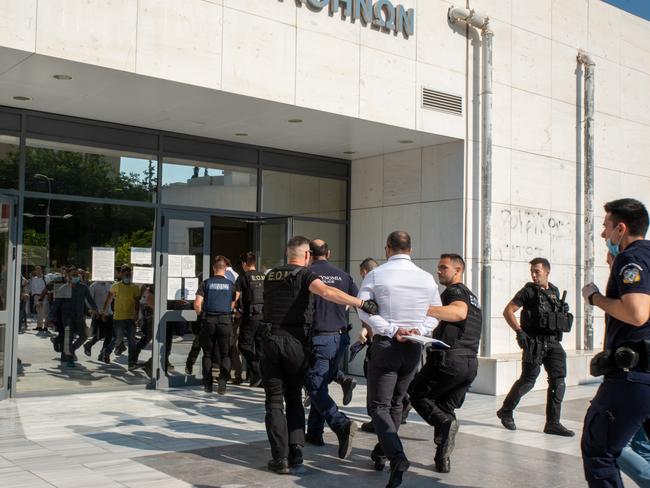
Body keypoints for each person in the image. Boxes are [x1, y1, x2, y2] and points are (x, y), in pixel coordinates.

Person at [262, 235, 377, 474]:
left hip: (271, 341)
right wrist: (362, 304)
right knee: (293, 397)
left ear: (287, 253)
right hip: (296, 343)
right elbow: (326, 292)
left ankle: (279, 458)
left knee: (274, 402)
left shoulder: (271, 275)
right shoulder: (305, 275)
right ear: (306, 256)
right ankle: (296, 454)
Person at [358, 231, 442, 488]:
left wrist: (393, 329)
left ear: (388, 249)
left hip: (387, 346)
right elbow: (435, 313)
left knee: (379, 407)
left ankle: (397, 457)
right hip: (414, 347)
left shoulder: (376, 274)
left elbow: (362, 308)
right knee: (396, 404)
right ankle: (384, 452)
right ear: (411, 249)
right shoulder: (426, 277)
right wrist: (420, 330)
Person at [581, 198, 650, 487]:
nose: (603, 234)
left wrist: (594, 297)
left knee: (599, 451)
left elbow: (636, 313)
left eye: (606, 227)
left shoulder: (631, 258)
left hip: (633, 376)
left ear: (621, 228)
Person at [408, 253, 482, 473]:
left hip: (448, 361)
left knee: (417, 393)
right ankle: (442, 460)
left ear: (457, 270)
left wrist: (422, 309)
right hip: (469, 364)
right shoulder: (473, 297)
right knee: (444, 408)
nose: (438, 271)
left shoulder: (455, 292)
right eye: (438, 267)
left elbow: (459, 313)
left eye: (443, 268)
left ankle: (444, 425)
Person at [496, 257, 575, 437]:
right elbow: (508, 311)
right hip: (535, 342)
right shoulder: (528, 292)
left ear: (547, 272)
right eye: (532, 271)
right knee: (528, 380)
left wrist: (562, 312)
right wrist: (519, 331)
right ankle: (506, 411)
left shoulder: (554, 292)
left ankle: (553, 423)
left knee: (559, 380)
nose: (533, 275)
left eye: (537, 271)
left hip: (553, 342)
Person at [304, 239, 358, 447]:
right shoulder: (343, 276)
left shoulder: (308, 275)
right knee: (322, 384)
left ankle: (340, 424)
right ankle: (315, 433)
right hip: (340, 337)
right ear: (329, 252)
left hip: (319, 338)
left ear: (309, 254)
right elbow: (357, 303)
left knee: (315, 387)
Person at [194, 256, 239, 394]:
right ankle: (222, 381)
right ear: (225, 269)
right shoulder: (231, 285)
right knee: (225, 354)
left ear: (213, 268)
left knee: (207, 354)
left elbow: (197, 303)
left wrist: (201, 316)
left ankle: (208, 385)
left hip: (209, 320)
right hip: (225, 321)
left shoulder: (206, 283)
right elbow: (234, 300)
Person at [49, 268, 98, 367]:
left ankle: (70, 350)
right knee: (68, 338)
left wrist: (95, 309)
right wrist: (50, 317)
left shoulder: (83, 287)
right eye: (73, 275)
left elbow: (90, 299)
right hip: (67, 318)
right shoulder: (63, 288)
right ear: (68, 276)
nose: (75, 276)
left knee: (84, 336)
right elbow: (56, 304)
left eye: (77, 275)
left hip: (79, 317)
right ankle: (70, 359)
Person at [235, 251, 265, 387]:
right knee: (259, 347)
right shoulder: (263, 277)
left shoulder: (243, 278)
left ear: (244, 264)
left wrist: (234, 309)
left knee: (243, 344)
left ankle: (257, 370)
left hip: (251, 316)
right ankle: (258, 380)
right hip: (264, 316)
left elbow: (235, 297)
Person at [101, 265, 141, 370]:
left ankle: (131, 363)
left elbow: (137, 302)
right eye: (125, 273)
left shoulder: (135, 287)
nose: (127, 275)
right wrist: (104, 312)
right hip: (118, 317)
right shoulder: (116, 286)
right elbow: (108, 299)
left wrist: (136, 314)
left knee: (132, 341)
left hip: (130, 317)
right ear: (122, 274)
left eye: (129, 274)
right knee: (118, 339)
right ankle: (107, 352)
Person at [83, 280, 113, 361]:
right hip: (98, 313)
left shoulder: (109, 285)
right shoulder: (94, 286)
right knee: (101, 334)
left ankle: (103, 353)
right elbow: (88, 299)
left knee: (110, 335)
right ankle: (89, 345)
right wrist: (92, 309)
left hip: (109, 312)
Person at [29, 266, 47, 332]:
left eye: (39, 270)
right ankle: (38, 326)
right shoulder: (34, 279)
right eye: (37, 270)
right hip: (36, 296)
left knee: (43, 312)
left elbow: (46, 287)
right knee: (38, 311)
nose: (38, 271)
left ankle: (43, 326)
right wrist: (33, 294)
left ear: (41, 270)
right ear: (35, 271)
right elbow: (32, 287)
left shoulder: (44, 278)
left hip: (43, 296)